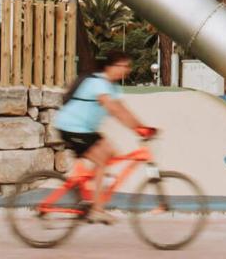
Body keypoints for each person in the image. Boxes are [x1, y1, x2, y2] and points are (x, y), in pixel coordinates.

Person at [53, 49, 154, 218]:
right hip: (72, 127)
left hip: (85, 130)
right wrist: (137, 128)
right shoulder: (98, 83)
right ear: (110, 67)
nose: (127, 70)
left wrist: (141, 126)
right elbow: (114, 109)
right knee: (101, 160)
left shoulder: (112, 87)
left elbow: (123, 109)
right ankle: (97, 210)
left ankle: (84, 183)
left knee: (111, 152)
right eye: (124, 66)